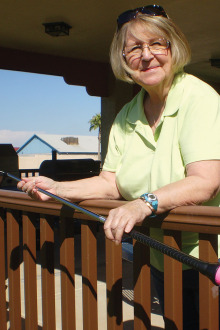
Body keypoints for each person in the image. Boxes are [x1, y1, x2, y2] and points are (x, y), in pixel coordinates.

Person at [18, 5, 220, 329]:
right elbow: (109, 182)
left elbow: (205, 182)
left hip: (210, 257)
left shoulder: (199, 98)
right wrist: (57, 188)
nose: (147, 55)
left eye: (157, 43)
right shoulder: (127, 114)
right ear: (123, 59)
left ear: (173, 47)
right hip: (162, 258)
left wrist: (143, 204)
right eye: (135, 47)